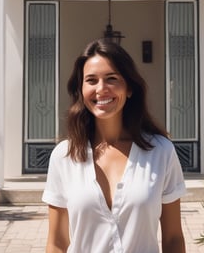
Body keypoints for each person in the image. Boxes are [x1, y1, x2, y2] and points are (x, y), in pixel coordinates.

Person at [42, 39, 186, 253]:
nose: (101, 89)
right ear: (81, 90)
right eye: (91, 80)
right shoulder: (64, 156)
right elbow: (57, 242)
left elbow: (173, 238)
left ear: (129, 88)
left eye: (111, 79)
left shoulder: (161, 151)